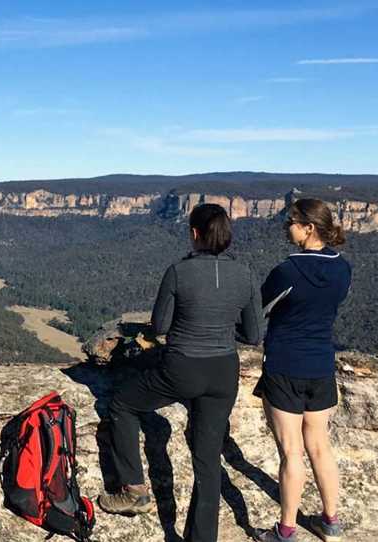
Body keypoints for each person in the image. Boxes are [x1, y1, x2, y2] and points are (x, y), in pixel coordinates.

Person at [99, 203, 263, 542]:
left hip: (182, 366)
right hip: (223, 373)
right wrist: (220, 325)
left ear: (194, 234)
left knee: (122, 404)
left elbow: (160, 326)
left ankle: (133, 490)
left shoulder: (178, 272)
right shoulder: (246, 274)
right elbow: (253, 335)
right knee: (207, 461)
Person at [252, 199, 351, 542]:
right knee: (321, 447)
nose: (286, 226)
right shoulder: (343, 268)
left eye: (291, 221)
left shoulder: (288, 271)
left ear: (309, 228)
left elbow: (257, 311)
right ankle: (331, 522)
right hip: (322, 365)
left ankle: (286, 530)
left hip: (284, 366)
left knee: (291, 451)